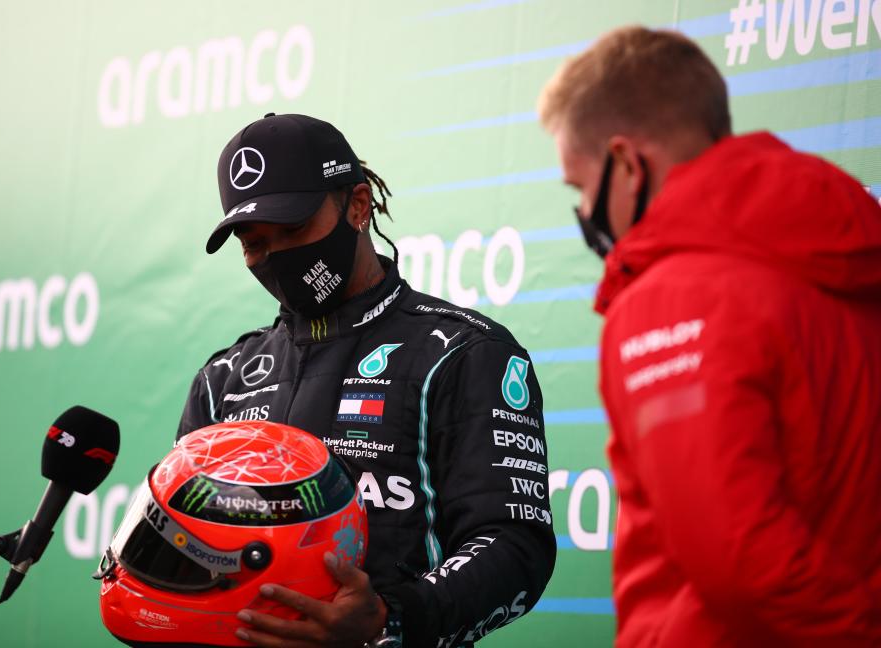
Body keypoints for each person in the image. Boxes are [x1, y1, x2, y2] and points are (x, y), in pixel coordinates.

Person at [537, 26, 881, 646]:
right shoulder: (846, 255)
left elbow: (737, 556)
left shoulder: (671, 298)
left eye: (581, 187)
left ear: (628, 163)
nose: (586, 213)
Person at [176, 113, 555, 648]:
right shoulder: (224, 379)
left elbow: (516, 546)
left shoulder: (462, 353)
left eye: (293, 230)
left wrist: (388, 620)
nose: (278, 256)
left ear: (358, 206)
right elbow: (187, 546)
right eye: (255, 243)